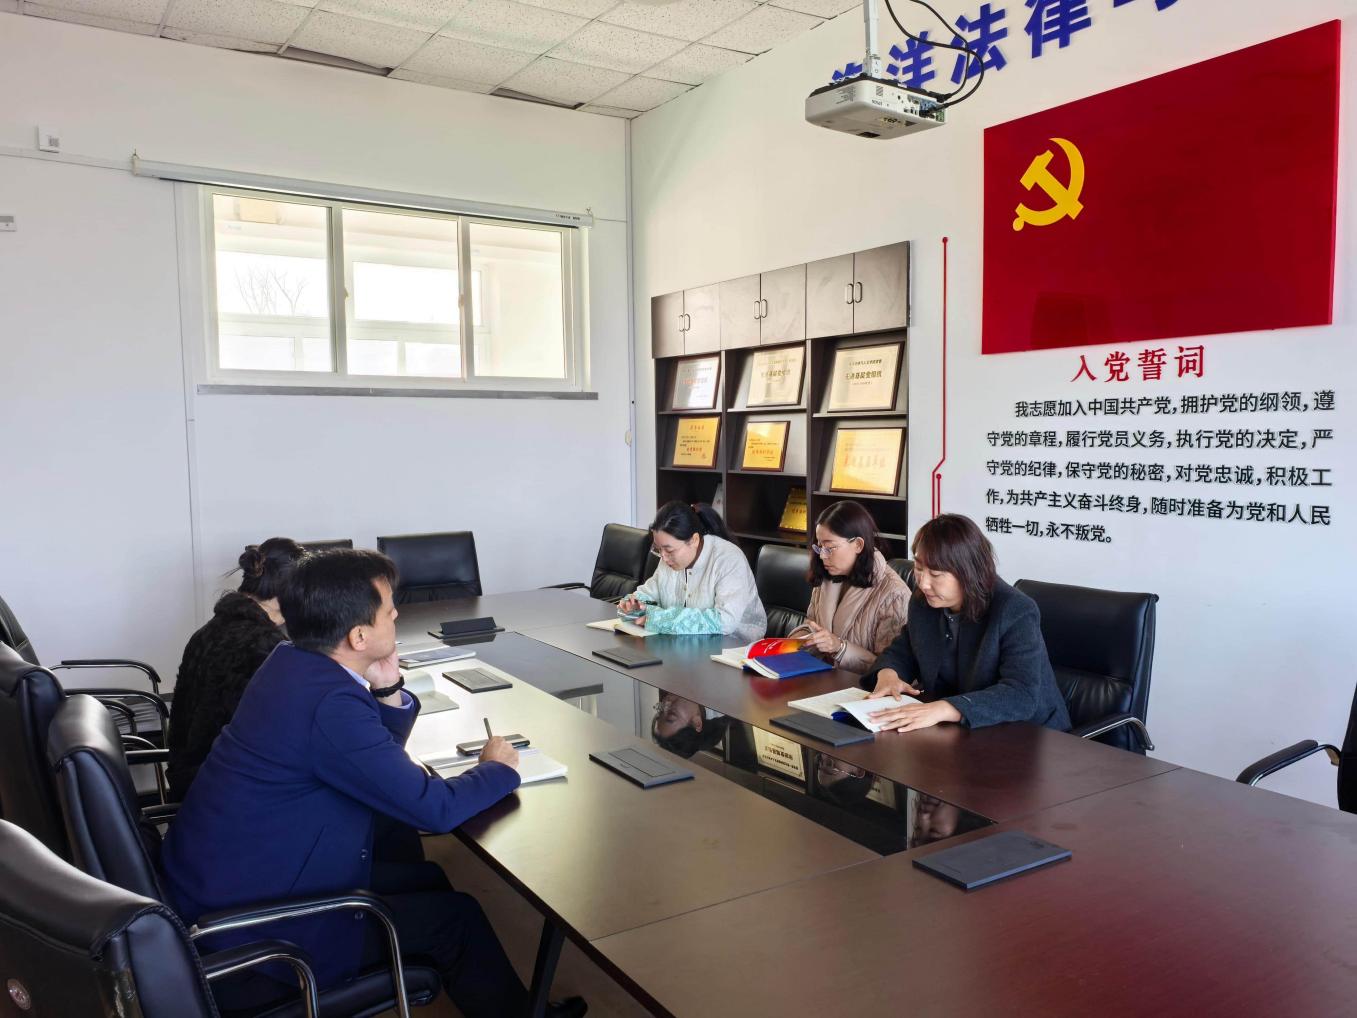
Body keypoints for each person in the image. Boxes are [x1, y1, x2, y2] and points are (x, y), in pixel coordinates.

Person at [160, 549, 585, 1018]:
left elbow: (364, 763)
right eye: (388, 610)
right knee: (457, 920)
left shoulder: (291, 663)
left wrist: (386, 689)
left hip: (234, 884)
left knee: (429, 879)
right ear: (358, 635)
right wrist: (498, 768)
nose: (397, 615)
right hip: (258, 936)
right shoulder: (329, 702)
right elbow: (434, 810)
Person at [862, 514, 1070, 734]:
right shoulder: (924, 602)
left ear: (968, 572)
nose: (923, 583)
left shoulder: (1015, 610)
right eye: (919, 568)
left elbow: (1021, 694)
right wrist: (889, 673)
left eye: (936, 574)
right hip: (962, 730)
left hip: (1032, 734)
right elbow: (905, 649)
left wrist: (946, 708)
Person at [166, 537, 306, 800]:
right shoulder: (266, 646)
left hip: (190, 778)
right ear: (289, 591)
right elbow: (276, 741)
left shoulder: (207, 632)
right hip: (227, 791)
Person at [617, 501, 766, 642]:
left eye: (669, 550)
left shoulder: (728, 559)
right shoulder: (668, 559)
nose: (663, 557)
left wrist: (659, 619)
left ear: (694, 540)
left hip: (734, 648)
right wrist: (635, 604)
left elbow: (725, 621)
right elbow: (652, 593)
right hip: (685, 644)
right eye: (658, 549)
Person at [798, 501, 910, 674]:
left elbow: (892, 669)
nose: (822, 556)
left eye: (830, 547)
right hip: (821, 677)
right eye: (819, 547)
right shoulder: (827, 577)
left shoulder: (895, 594)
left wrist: (840, 648)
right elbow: (813, 624)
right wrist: (799, 637)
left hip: (860, 686)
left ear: (858, 544)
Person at [650, 691, 728, 759]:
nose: (666, 701)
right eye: (672, 714)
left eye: (661, 710)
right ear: (696, 723)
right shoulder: (723, 698)